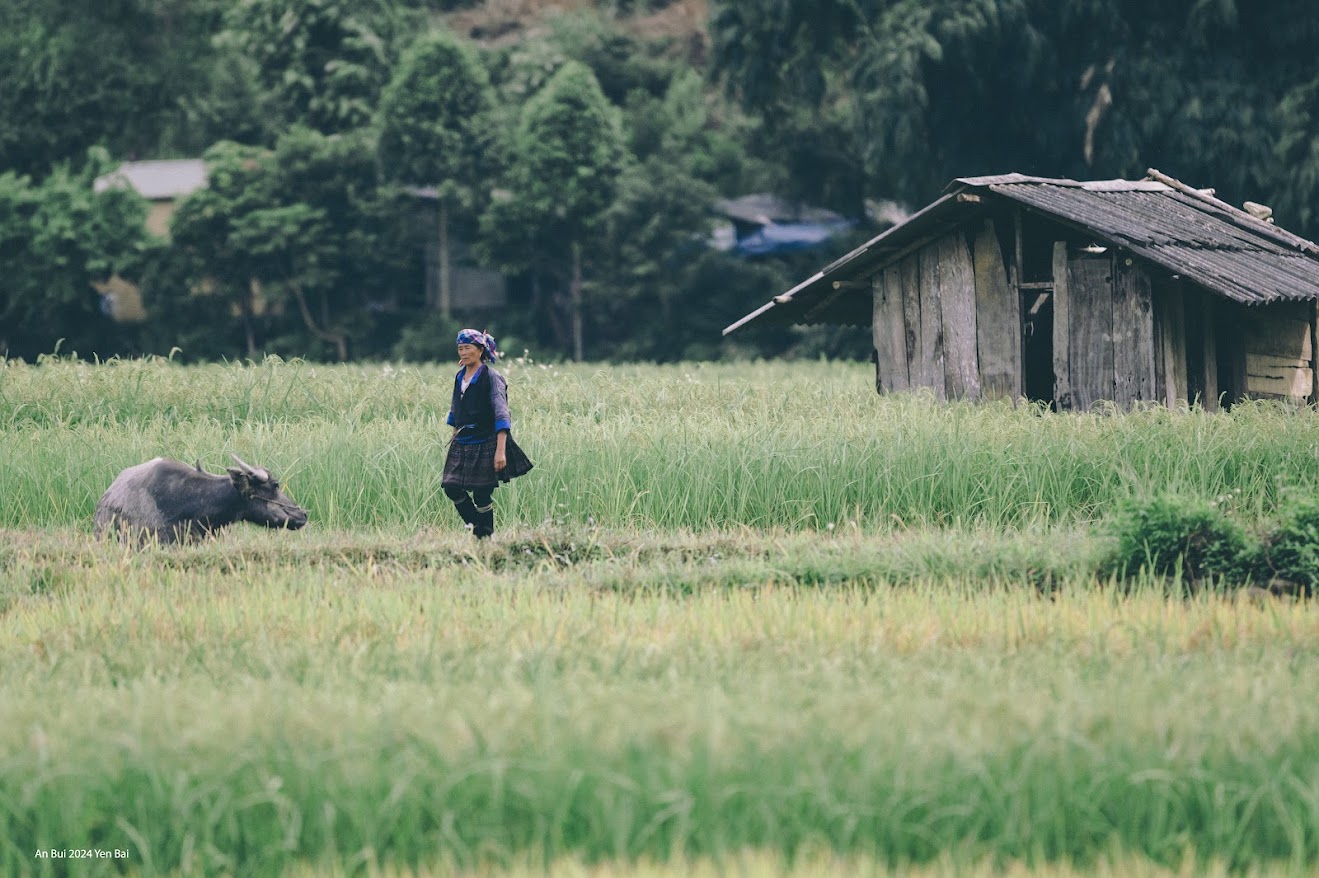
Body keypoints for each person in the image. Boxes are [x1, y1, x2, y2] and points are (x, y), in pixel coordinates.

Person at [441, 328, 533, 538]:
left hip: (487, 440)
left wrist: (500, 451)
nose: (463, 352)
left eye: (467, 348)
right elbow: (456, 409)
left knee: (482, 493)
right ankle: (479, 530)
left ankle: (485, 537)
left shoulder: (492, 377)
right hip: (462, 440)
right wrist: (453, 437)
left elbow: (501, 412)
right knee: (451, 487)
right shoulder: (459, 377)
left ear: (480, 350)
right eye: (460, 348)